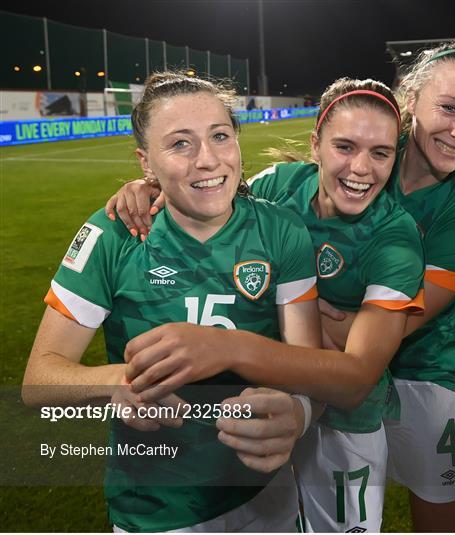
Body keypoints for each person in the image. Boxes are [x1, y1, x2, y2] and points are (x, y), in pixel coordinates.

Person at [103, 77, 426, 532]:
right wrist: (150, 185)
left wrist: (229, 347)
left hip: (346, 419)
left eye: (381, 153)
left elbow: (354, 381)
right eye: (345, 146)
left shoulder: (396, 239)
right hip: (267, 401)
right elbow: (209, 186)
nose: (361, 168)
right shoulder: (277, 185)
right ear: (315, 145)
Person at [22, 71, 329, 533]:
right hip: (154, 510)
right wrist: (117, 384)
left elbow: (310, 370)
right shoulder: (112, 236)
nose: (208, 160)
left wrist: (299, 415)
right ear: (146, 163)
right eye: (180, 144)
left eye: (220, 136)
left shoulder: (281, 231)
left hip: (267, 498)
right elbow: (38, 380)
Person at [321, 42, 455, 532]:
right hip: (339, 361)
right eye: (449, 108)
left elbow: (386, 331)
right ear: (411, 99)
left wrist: (293, 317)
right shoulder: (369, 149)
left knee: (437, 504)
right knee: (342, 515)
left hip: (424, 368)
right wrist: (151, 189)